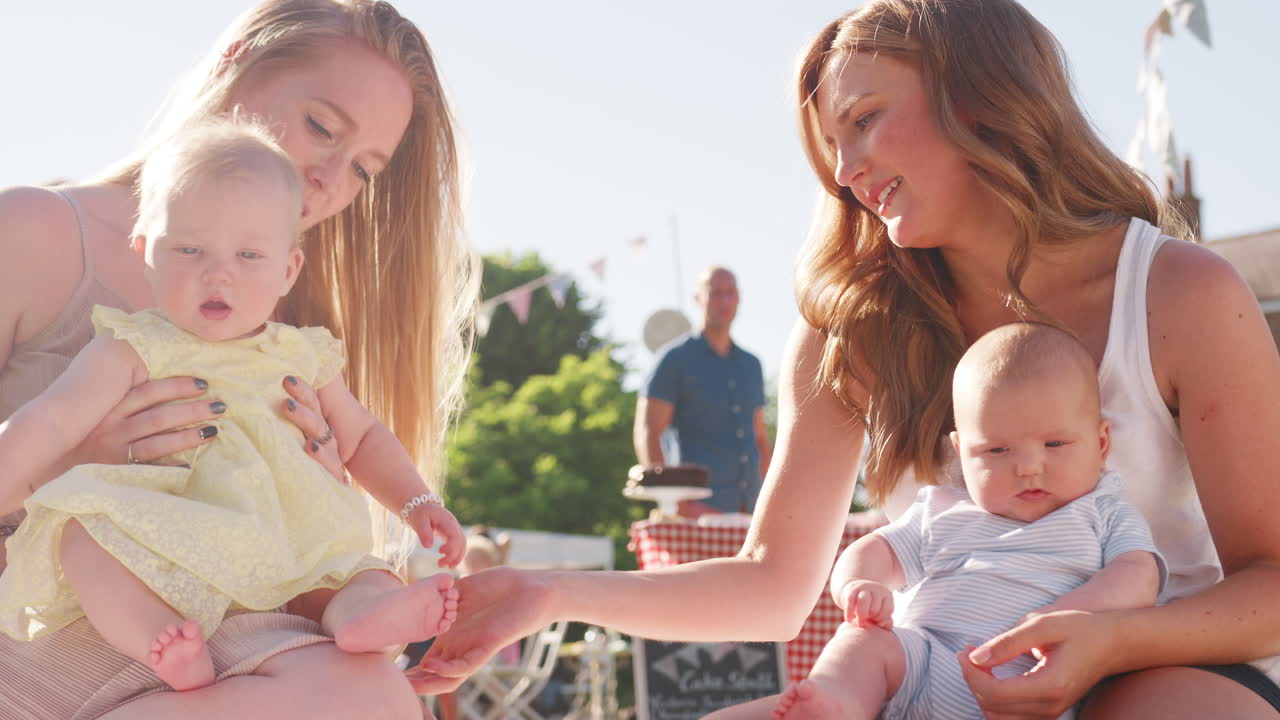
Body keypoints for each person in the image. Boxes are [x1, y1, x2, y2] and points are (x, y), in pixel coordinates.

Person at [411, 1, 1280, 718]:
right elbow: (774, 584)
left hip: (1164, 671)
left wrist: (1113, 637)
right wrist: (551, 593)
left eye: (865, 121)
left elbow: (1272, 583)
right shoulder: (851, 327)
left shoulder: (1180, 292)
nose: (846, 170)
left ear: (984, 95)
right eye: (832, 143)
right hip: (940, 684)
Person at [0, 0, 474, 717]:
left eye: (363, 171)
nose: (327, 181)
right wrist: (72, 470)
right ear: (236, 60)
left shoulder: (288, 332)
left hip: (214, 655)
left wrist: (316, 490)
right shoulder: (36, 231)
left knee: (371, 692)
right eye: (321, 127)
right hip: (49, 646)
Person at [770, 323, 1162, 720]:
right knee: (865, 643)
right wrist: (860, 584)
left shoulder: (1102, 510)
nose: (1027, 466)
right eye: (997, 449)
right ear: (961, 453)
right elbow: (874, 550)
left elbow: (1138, 575)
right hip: (920, 663)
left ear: (1100, 443)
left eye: (1054, 444)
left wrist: (1072, 611)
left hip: (1029, 681)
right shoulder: (942, 509)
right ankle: (837, 703)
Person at [633, 266, 773, 515]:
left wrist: (771, 498)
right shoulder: (674, 360)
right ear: (698, 298)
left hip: (750, 509)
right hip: (697, 509)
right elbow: (648, 431)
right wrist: (674, 503)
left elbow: (759, 437)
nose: (724, 301)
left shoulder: (751, 365)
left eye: (730, 293)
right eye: (716, 293)